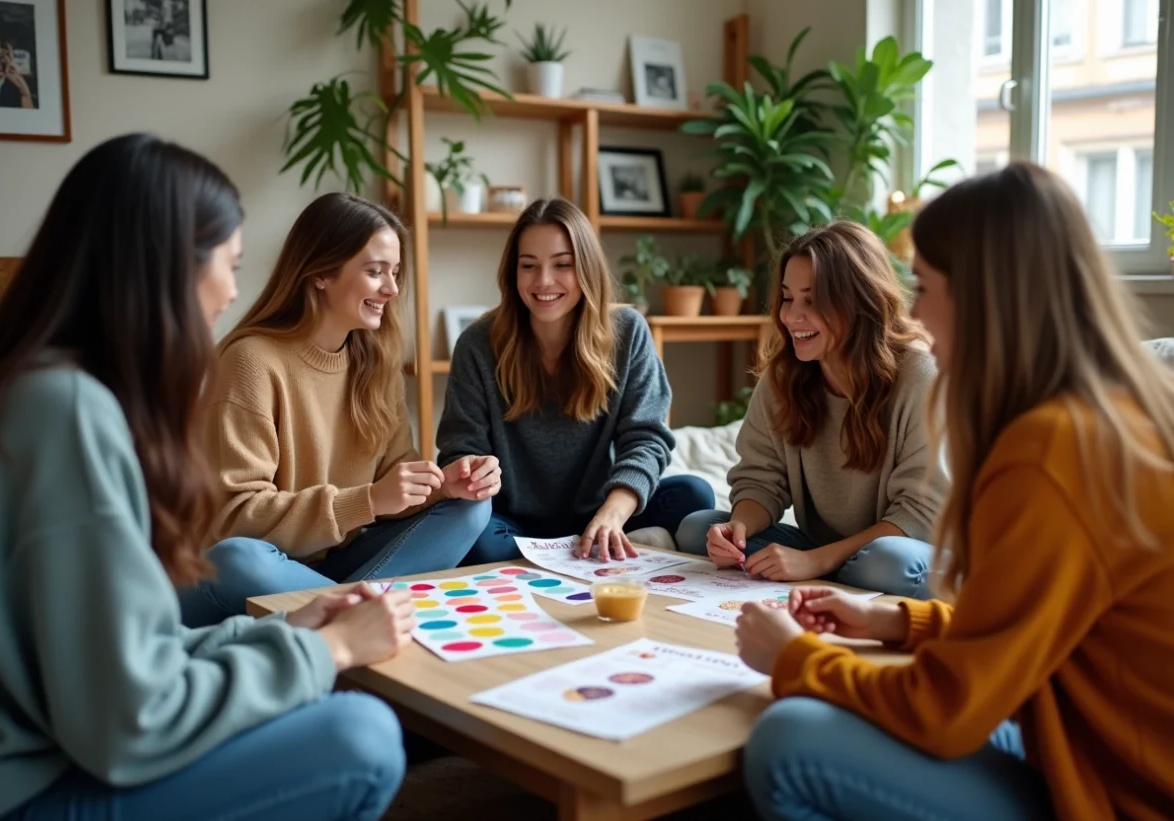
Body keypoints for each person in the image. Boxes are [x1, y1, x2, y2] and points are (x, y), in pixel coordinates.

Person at [0, 134, 412, 821]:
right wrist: (325, 652)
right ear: (168, 265)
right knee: (363, 736)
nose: (234, 288)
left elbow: (118, 650)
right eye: (229, 263)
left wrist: (287, 632)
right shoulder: (70, 412)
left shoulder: (38, 386)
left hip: (60, 737)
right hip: (25, 785)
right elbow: (127, 717)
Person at [736, 163, 1174, 820]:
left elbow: (946, 711)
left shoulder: (1048, 451)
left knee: (788, 737)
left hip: (1115, 791)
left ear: (987, 296)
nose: (912, 310)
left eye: (924, 285)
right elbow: (1040, 626)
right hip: (1074, 731)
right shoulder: (1115, 412)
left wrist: (795, 657)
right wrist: (897, 618)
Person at [178, 193, 495, 627]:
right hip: (260, 571)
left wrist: (444, 485)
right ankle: (358, 614)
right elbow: (233, 520)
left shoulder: (375, 362)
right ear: (321, 272)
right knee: (238, 558)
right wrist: (367, 500)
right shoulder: (250, 361)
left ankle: (343, 614)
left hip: (337, 565)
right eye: (374, 271)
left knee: (472, 509)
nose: (392, 289)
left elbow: (395, 481)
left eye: (395, 273)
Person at [436, 197, 714, 564]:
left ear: (587, 268)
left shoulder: (628, 332)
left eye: (562, 265)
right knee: (475, 536)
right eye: (529, 266)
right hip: (511, 521)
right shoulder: (477, 343)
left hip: (601, 511)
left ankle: (609, 539)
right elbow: (459, 447)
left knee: (694, 494)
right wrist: (472, 469)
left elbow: (646, 438)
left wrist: (612, 514)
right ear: (512, 273)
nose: (544, 281)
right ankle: (617, 549)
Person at [676, 221, 946, 598]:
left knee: (885, 563)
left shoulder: (920, 376)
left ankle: (841, 576)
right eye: (788, 297)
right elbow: (761, 479)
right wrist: (736, 529)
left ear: (858, 299)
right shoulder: (784, 377)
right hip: (827, 549)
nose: (791, 316)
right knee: (697, 527)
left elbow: (920, 514)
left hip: (907, 547)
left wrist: (817, 562)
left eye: (812, 300)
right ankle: (841, 579)